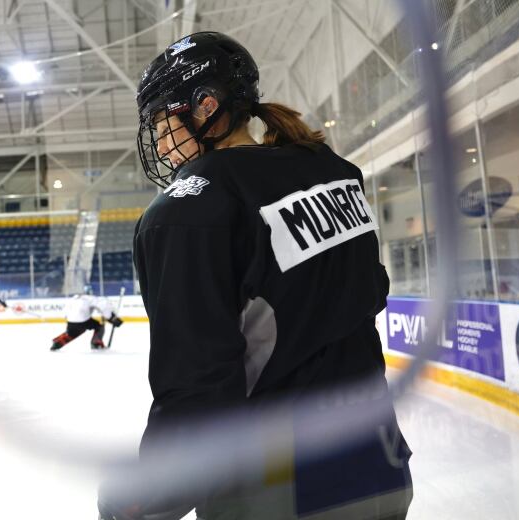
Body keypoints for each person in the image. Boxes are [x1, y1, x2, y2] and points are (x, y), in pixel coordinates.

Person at [98, 32, 412, 520]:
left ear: (205, 107)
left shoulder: (190, 210)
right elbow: (369, 293)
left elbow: (197, 381)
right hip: (380, 464)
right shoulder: (334, 172)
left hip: (281, 491)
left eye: (163, 122)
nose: (160, 141)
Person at [50, 287, 123, 351]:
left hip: (71, 321)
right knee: (99, 326)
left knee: (72, 333)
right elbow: (103, 308)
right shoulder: (90, 298)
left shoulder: (74, 298)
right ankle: (96, 343)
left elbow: (66, 311)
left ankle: (58, 343)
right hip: (83, 321)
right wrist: (112, 319)